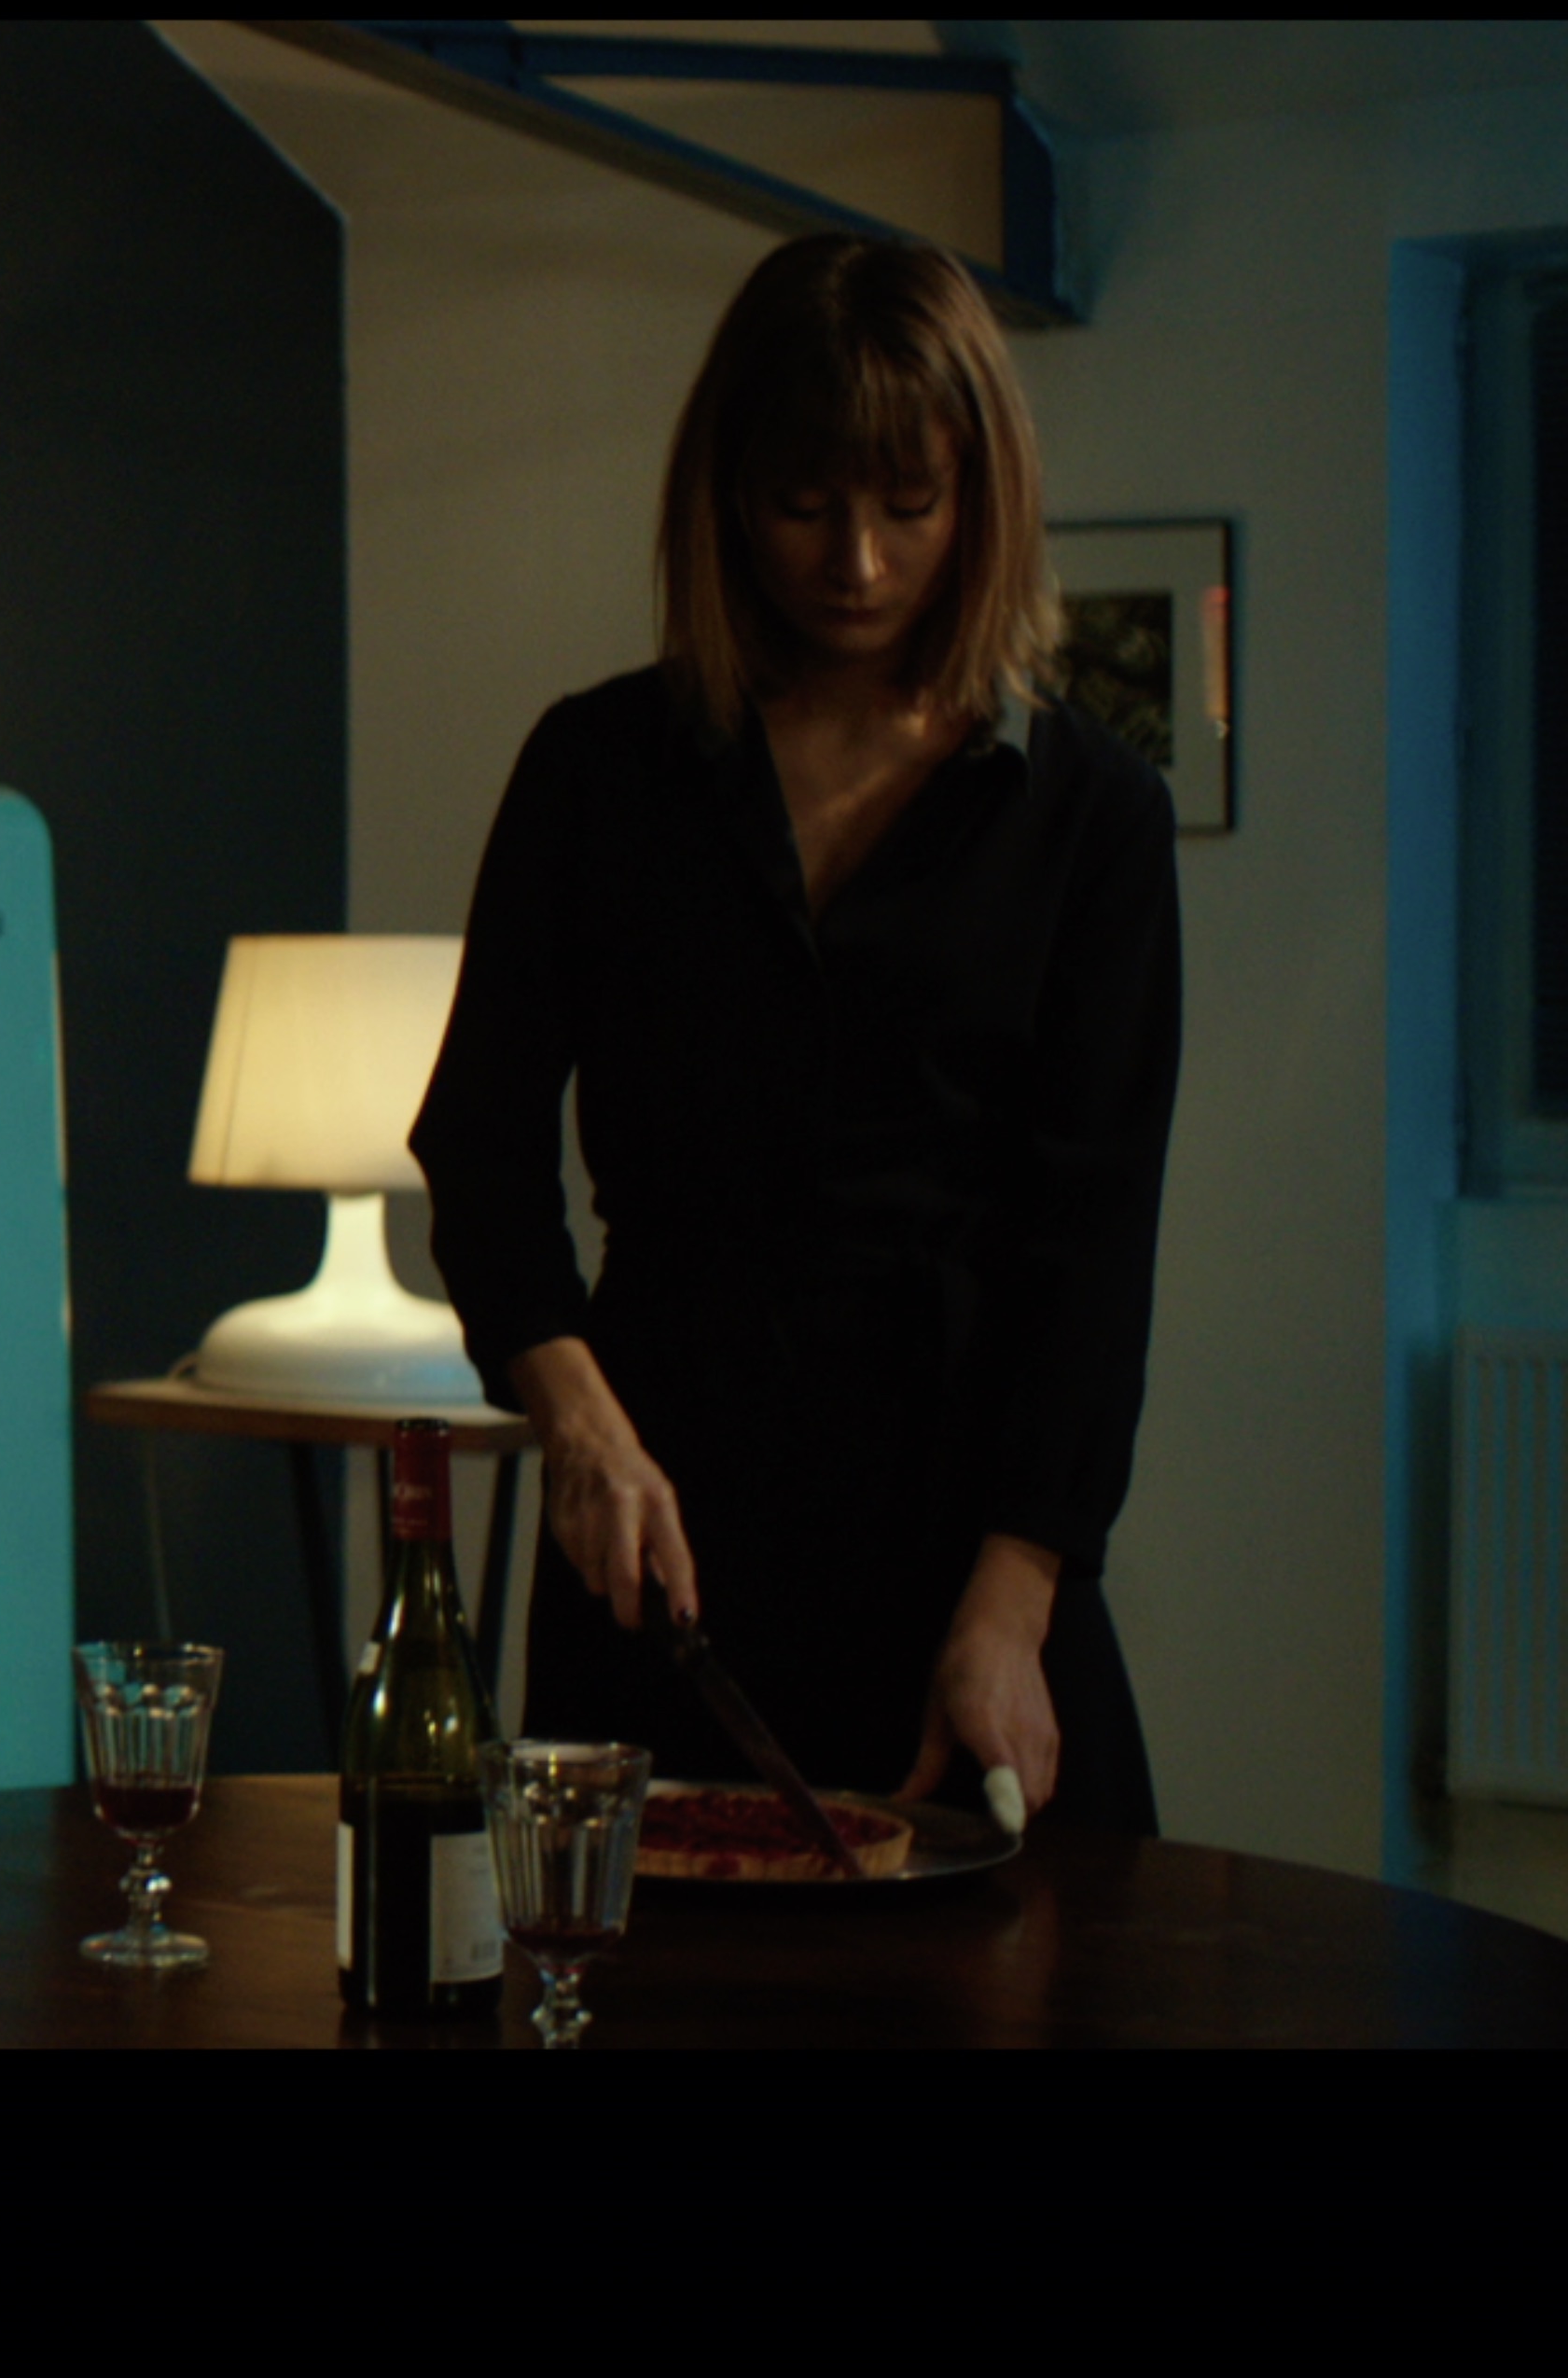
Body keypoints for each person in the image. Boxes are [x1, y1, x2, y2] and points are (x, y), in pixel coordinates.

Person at [410, 233, 1178, 1838]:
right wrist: (581, 1427)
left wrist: (1016, 1599)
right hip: (664, 1530)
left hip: (966, 1544)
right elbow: (480, 1153)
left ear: (982, 496)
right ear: (725, 495)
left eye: (910, 505)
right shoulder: (595, 772)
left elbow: (1092, 1249)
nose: (859, 564)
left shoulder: (1091, 816)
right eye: (803, 504)